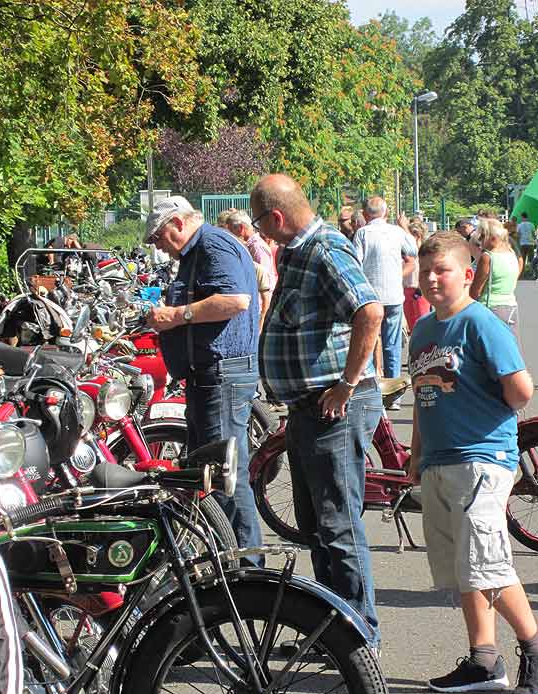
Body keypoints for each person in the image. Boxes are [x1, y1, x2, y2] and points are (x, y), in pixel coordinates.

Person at [408, 230, 538, 694]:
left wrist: (488, 417)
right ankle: (483, 660)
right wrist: (416, 453)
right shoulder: (423, 330)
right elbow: (422, 396)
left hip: (482, 458)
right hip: (439, 461)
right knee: (463, 567)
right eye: (426, 271)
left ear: (468, 275)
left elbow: (521, 389)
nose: (432, 279)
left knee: (486, 563)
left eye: (443, 270)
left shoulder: (480, 323)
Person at [250, 173, 384, 651]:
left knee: (337, 525)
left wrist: (346, 385)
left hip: (334, 409)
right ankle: (332, 633)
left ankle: (359, 641)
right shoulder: (299, 250)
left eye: (260, 223)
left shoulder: (324, 249)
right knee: (318, 528)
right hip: (310, 409)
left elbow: (370, 311)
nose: (261, 232)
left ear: (277, 216)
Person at [143, 196, 263, 565]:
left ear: (178, 223)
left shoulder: (213, 245)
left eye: (159, 237)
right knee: (208, 471)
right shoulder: (200, 249)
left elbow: (236, 300)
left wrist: (176, 315)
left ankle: (245, 566)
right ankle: (226, 557)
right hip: (209, 375)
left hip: (222, 374)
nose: (159, 246)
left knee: (225, 473)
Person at [353, 196, 417, 378]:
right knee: (392, 344)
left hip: (370, 297)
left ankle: (371, 382)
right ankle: (393, 384)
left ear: (365, 214)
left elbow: (356, 262)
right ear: (386, 212)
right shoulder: (396, 232)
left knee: (369, 340)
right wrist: (404, 227)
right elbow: (413, 251)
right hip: (394, 295)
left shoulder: (362, 233)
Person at [469, 217, 522, 338]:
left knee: (487, 345)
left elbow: (476, 290)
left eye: (482, 236)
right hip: (511, 306)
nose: (480, 240)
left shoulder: (488, 257)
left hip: (490, 307)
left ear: (492, 237)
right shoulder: (511, 254)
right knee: (510, 344)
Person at [226, 209, 277, 290]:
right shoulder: (250, 245)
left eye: (231, 230)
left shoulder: (256, 247)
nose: (229, 234)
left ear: (241, 228)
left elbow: (264, 279)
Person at [403, 219, 430, 332]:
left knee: (422, 323)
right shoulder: (407, 252)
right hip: (406, 289)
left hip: (419, 291)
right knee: (411, 325)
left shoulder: (424, 251)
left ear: (418, 236)